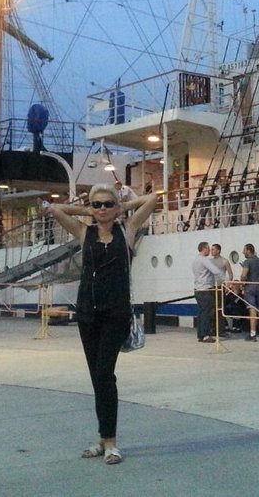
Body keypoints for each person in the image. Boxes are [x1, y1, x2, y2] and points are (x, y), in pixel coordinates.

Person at [45, 184, 158, 466]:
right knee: (97, 378)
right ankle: (103, 437)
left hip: (115, 314)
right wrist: (88, 211)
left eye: (108, 204)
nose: (102, 209)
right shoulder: (85, 233)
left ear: (116, 206)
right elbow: (56, 209)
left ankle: (111, 442)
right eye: (98, 204)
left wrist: (122, 207)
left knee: (105, 374)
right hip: (88, 314)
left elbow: (153, 198)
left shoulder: (127, 230)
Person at [192, 241, 226, 342]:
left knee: (201, 313)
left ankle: (201, 334)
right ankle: (206, 335)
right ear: (204, 248)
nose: (209, 251)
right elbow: (215, 271)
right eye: (208, 248)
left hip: (198, 289)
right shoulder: (204, 260)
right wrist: (226, 280)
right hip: (205, 290)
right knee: (207, 313)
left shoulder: (196, 260)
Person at [238, 243, 259, 341]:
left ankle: (253, 334)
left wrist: (242, 283)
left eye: (244, 250)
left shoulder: (247, 261)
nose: (243, 252)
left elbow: (244, 275)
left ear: (248, 250)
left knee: (252, 310)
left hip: (250, 287)